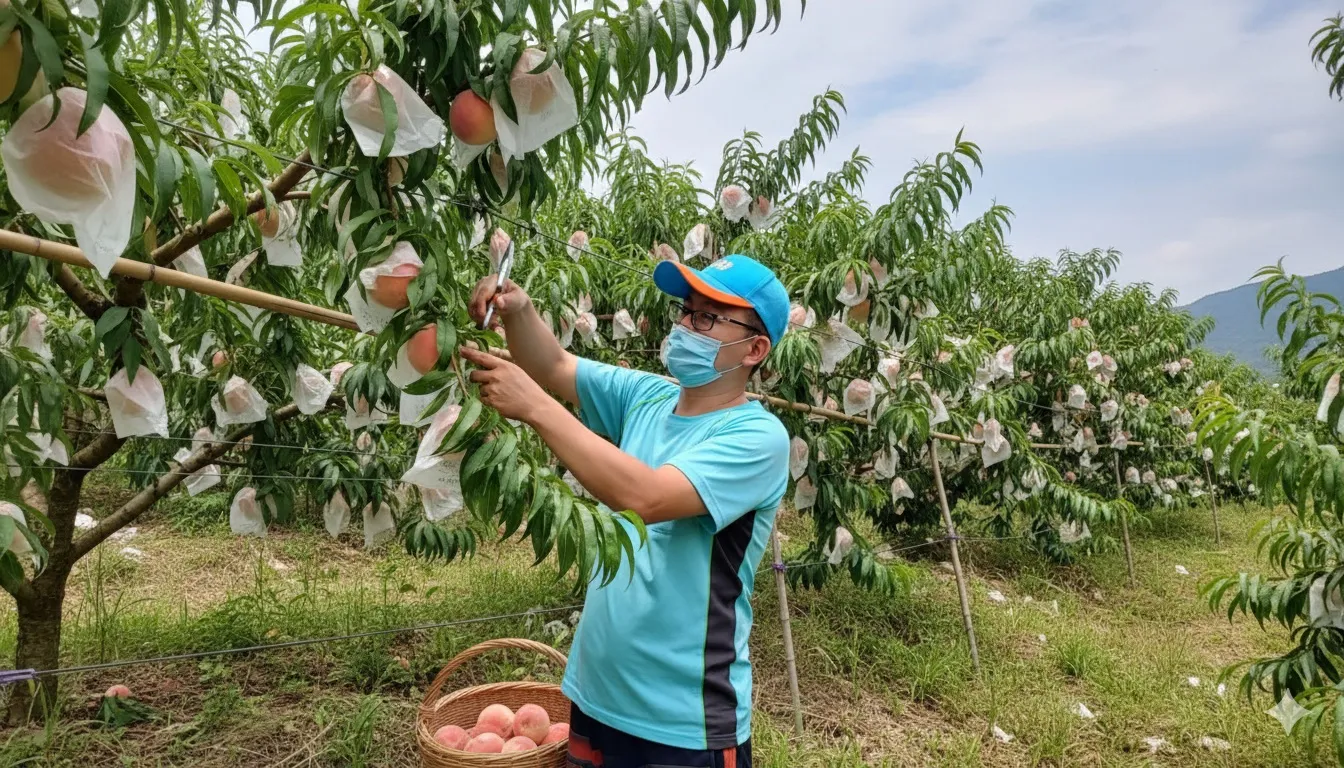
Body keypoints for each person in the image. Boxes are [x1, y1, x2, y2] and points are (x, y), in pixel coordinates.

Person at [460, 253, 792, 768]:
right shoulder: (647, 396)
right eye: (686, 311)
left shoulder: (758, 437)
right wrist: (519, 311)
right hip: (596, 695)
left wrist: (535, 408)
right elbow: (554, 366)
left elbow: (648, 498)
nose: (686, 326)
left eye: (707, 317)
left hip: (681, 724)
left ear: (755, 348)